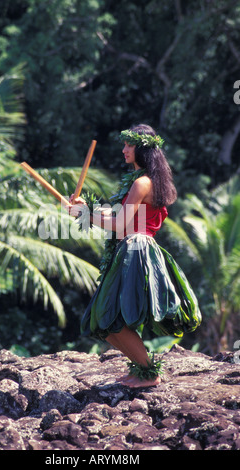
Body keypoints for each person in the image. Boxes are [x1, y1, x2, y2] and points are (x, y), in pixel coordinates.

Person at [68, 124, 201, 388]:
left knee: (111, 318)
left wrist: (84, 216)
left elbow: (120, 224)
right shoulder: (142, 180)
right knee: (103, 320)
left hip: (135, 250)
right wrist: (86, 209)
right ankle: (140, 369)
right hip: (132, 248)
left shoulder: (142, 182)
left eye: (129, 144)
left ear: (142, 148)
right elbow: (119, 217)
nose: (124, 149)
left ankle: (149, 373)